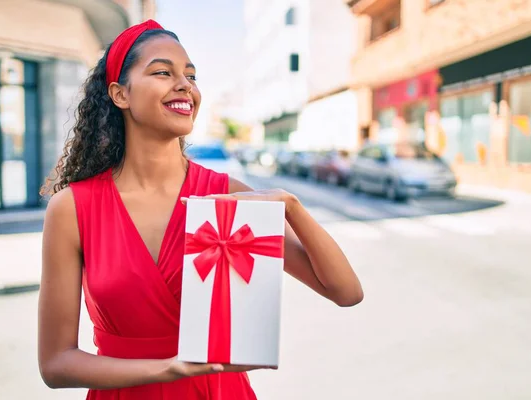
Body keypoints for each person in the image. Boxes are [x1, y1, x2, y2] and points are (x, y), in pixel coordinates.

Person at [38, 20, 363, 400]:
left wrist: (291, 207)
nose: (185, 85)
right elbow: (55, 364)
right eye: (163, 72)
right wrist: (165, 368)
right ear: (120, 94)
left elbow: (346, 292)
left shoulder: (230, 197)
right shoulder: (73, 208)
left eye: (191, 76)